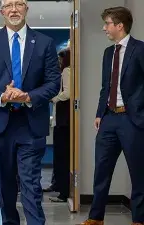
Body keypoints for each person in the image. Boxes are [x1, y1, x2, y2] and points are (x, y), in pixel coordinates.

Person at [0, 0, 61, 224]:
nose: (14, 9)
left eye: (19, 4)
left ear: (26, 9)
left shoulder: (44, 43)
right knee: (6, 185)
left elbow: (53, 83)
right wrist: (2, 96)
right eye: (9, 5)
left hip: (30, 123)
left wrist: (28, 96)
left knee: (31, 182)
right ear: (2, 11)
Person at [81, 6, 144, 225]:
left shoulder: (141, 50)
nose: (104, 28)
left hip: (132, 120)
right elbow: (105, 87)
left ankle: (139, 219)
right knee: (101, 170)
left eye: (107, 23)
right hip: (109, 119)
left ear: (120, 25)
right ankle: (95, 218)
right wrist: (100, 113)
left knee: (138, 173)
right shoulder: (109, 53)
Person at [49, 48, 71, 203]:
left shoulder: (67, 71)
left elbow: (68, 93)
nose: (59, 62)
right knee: (60, 155)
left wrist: (53, 98)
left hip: (64, 121)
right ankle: (58, 186)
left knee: (62, 156)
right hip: (62, 120)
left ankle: (63, 191)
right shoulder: (66, 71)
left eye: (60, 58)